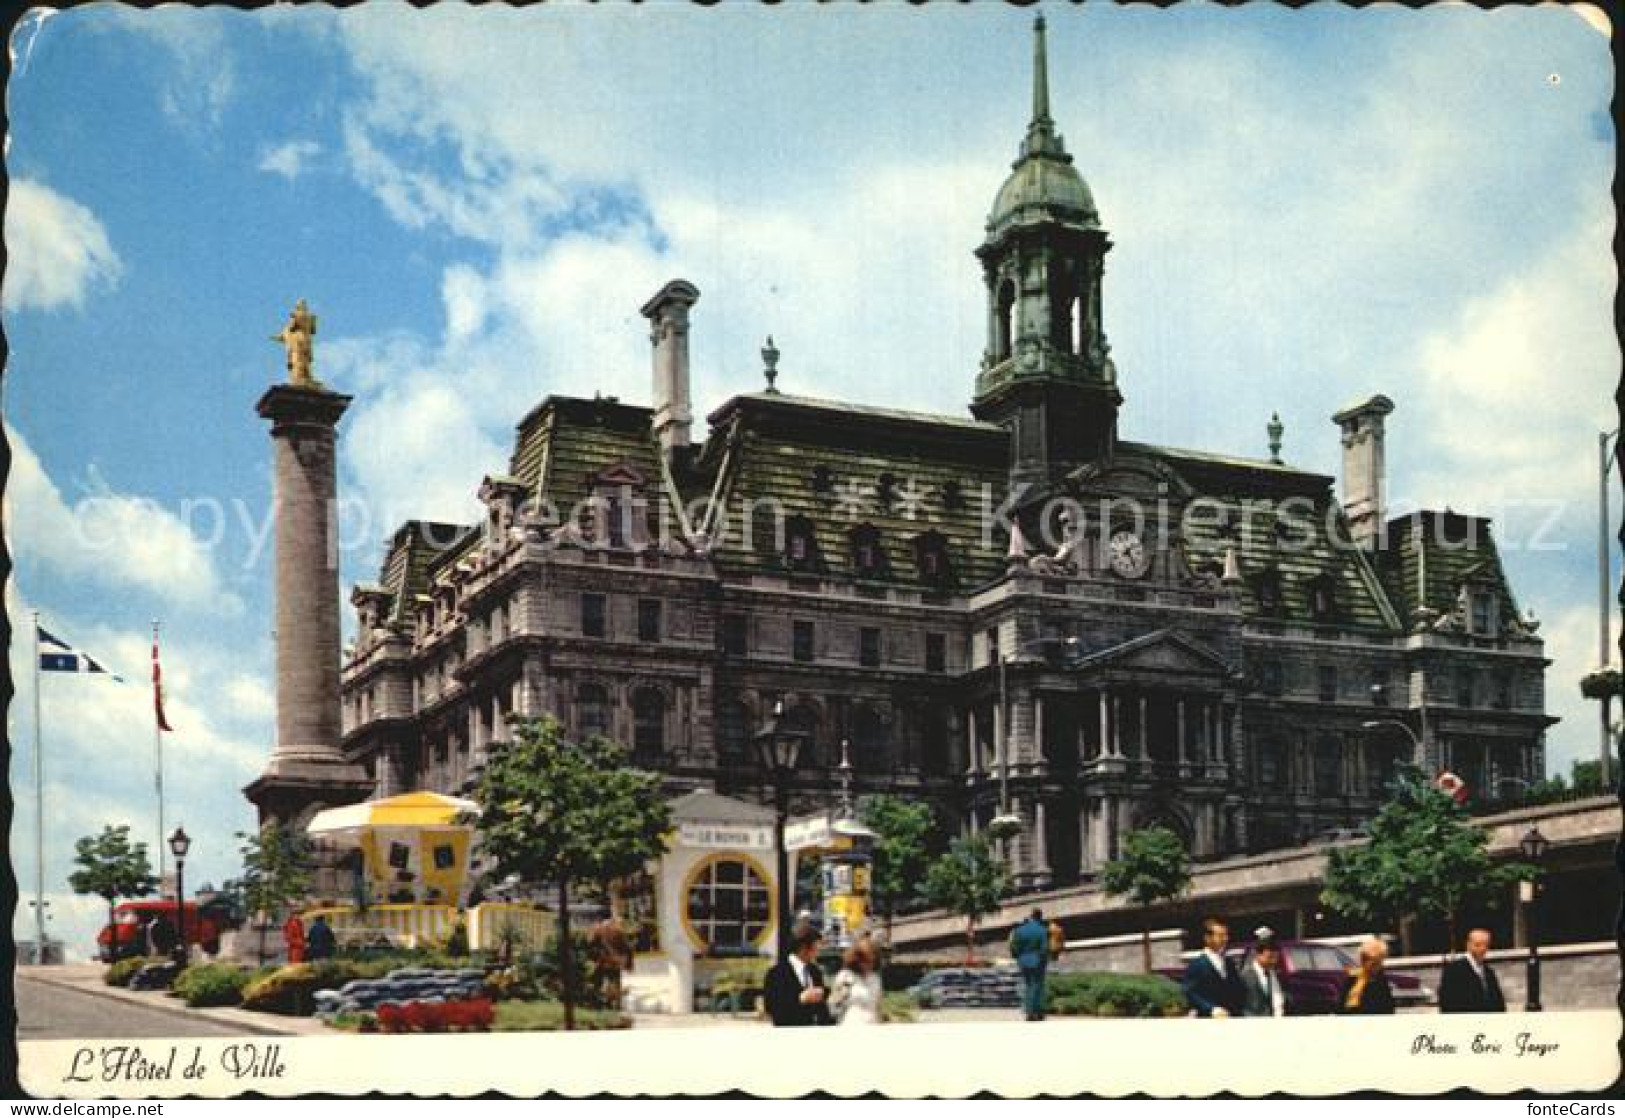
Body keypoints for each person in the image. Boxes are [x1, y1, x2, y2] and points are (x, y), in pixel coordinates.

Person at [764, 921, 834, 1027]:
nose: (819, 950)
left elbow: (823, 1012)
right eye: (817, 946)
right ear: (804, 948)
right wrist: (800, 999)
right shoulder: (776, 974)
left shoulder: (815, 971)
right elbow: (773, 1009)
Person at [1182, 916, 1245, 1018]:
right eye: (1220, 935)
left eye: (1226, 935)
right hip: (1208, 1020)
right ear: (1207, 938)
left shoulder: (1229, 963)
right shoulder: (1197, 965)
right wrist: (1211, 1008)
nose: (1225, 939)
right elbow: (1190, 992)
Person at [1438, 928, 1506, 1014]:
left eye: (1486, 945)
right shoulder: (1454, 970)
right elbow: (1447, 1004)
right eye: (1478, 945)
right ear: (1468, 945)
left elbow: (1499, 1003)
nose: (1482, 949)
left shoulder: (1489, 972)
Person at [829, 936, 884, 1025]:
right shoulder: (845, 976)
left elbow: (878, 1007)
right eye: (866, 961)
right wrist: (840, 996)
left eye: (872, 961)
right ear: (857, 959)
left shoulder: (876, 979)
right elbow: (833, 1004)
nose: (869, 965)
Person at [1009, 908, 1051, 1022]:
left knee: (1028, 985)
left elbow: (1013, 947)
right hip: (1037, 960)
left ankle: (1028, 1010)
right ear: (1040, 917)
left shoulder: (1019, 930)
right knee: (1037, 985)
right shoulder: (1042, 930)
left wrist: (1018, 957)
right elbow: (1045, 947)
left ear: (1031, 916)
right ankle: (1035, 1011)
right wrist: (1044, 958)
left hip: (1023, 960)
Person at [1337, 937, 1396, 1015]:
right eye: (1363, 958)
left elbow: (1387, 1008)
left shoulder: (1380, 981)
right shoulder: (1352, 977)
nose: (1378, 967)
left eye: (1379, 963)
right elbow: (1340, 1005)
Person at [587, 914, 635, 1010]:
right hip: (614, 963)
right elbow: (628, 948)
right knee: (614, 982)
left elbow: (590, 945)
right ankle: (615, 1005)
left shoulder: (597, 930)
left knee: (597, 983)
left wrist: (593, 959)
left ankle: (598, 1004)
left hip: (602, 962)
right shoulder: (620, 933)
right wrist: (629, 965)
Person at [1241, 931, 1289, 1017]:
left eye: (1275, 958)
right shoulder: (1245, 976)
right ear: (1257, 954)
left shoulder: (1276, 974)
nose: (1273, 961)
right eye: (1270, 958)